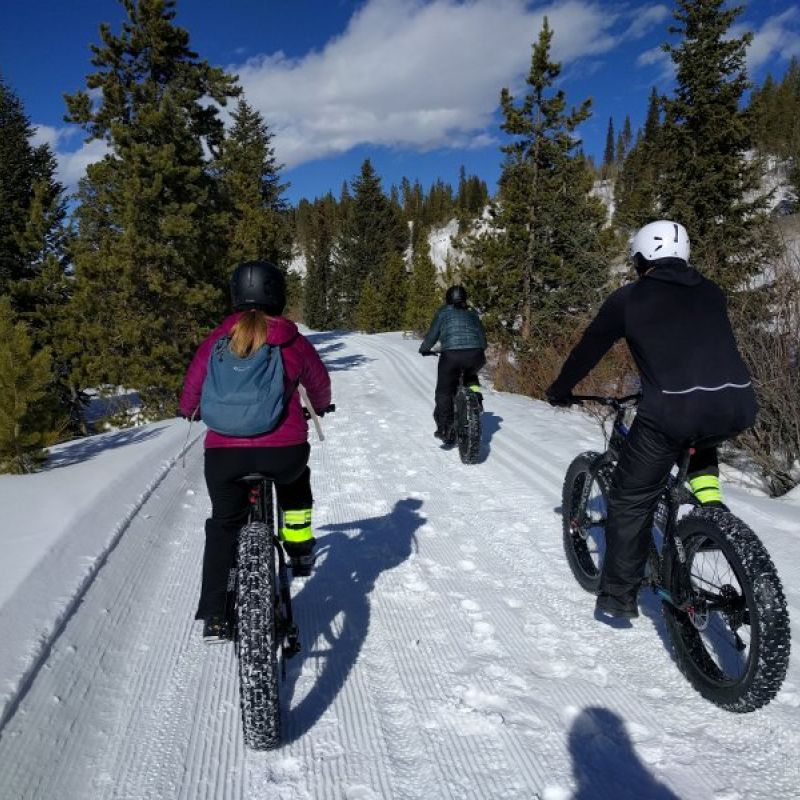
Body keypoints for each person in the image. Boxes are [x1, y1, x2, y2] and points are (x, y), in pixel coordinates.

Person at [546, 220, 757, 619]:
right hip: (737, 404)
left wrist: (560, 388)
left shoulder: (629, 299)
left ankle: (617, 596)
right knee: (701, 433)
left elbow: (588, 350)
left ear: (642, 258)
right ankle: (712, 512)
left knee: (630, 497)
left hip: (672, 410)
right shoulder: (712, 292)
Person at [180, 260, 331, 641]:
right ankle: (298, 549)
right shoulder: (292, 340)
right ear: (277, 295)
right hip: (282, 453)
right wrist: (322, 404)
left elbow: (191, 393)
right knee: (297, 479)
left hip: (224, 457)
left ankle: (215, 613)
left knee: (223, 525)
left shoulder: (216, 340)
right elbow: (319, 384)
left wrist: (189, 410)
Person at [419, 285, 488, 441]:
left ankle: (445, 429)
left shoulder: (443, 313)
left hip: (451, 356)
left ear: (448, 298)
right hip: (476, 355)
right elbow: (483, 340)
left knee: (444, 392)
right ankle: (476, 397)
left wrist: (424, 349)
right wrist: (478, 348)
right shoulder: (472, 313)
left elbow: (432, 335)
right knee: (471, 374)